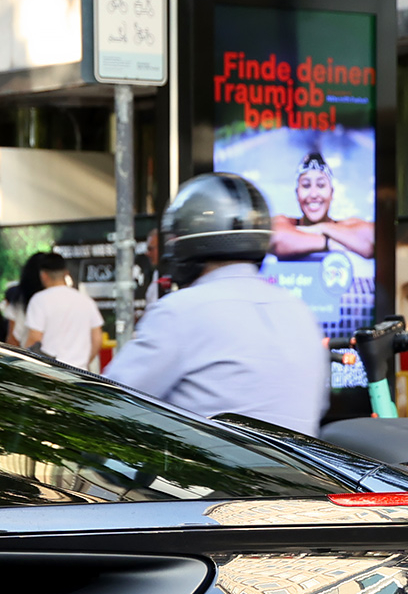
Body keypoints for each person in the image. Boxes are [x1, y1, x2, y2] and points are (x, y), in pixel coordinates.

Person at [108, 172, 330, 437]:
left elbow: (110, 406)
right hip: (299, 477)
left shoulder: (180, 312)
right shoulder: (300, 313)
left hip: (207, 477)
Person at [268, 149, 375, 259]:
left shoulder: (347, 225)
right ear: (297, 193)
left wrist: (322, 227)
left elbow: (371, 239)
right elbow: (276, 237)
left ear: (332, 193)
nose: (313, 194)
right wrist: (328, 242)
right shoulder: (286, 223)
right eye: (306, 185)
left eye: (321, 185)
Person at [20, 253, 106, 372]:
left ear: (44, 275)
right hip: (80, 373)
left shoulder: (39, 300)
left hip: (51, 374)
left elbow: (34, 339)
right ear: (65, 273)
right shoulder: (85, 300)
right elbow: (97, 339)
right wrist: (84, 362)